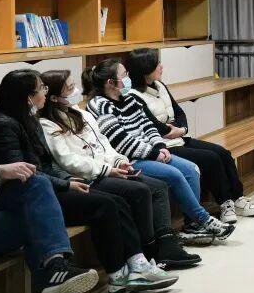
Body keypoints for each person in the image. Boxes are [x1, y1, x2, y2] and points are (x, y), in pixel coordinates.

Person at [0, 70, 178, 292]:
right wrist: (66, 183)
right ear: (28, 97)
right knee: (105, 205)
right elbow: (23, 173)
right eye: (42, 88)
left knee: (116, 201)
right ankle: (117, 275)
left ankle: (136, 264)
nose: (45, 92)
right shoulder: (4, 125)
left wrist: (66, 179)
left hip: (47, 186)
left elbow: (46, 164)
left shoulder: (27, 120)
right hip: (27, 197)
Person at [0, 46, 99, 293]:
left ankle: (54, 270)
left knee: (36, 191)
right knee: (38, 217)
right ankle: (51, 274)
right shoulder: (3, 123)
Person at [38, 69, 202, 268]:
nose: (76, 91)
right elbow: (69, 161)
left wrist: (118, 161)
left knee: (157, 186)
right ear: (54, 97)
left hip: (110, 167)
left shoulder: (81, 114)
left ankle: (166, 245)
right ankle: (150, 251)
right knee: (140, 190)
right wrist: (108, 169)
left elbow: (103, 144)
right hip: (88, 176)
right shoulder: (47, 124)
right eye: (70, 88)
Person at [84, 59, 233, 242]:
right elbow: (120, 142)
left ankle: (192, 225)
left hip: (150, 153)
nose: (128, 78)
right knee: (175, 174)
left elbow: (148, 127)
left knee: (192, 169)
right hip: (128, 160)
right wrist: (154, 153)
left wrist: (160, 146)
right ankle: (203, 219)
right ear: (110, 82)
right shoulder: (99, 105)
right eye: (124, 75)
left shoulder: (129, 99)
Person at [124, 48, 254, 224]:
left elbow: (179, 112)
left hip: (178, 137)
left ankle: (238, 198)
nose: (161, 66)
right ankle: (225, 203)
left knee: (223, 153)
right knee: (210, 159)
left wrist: (182, 129)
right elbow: (152, 125)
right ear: (145, 69)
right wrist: (170, 131)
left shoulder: (160, 85)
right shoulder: (133, 96)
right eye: (157, 64)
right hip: (164, 145)